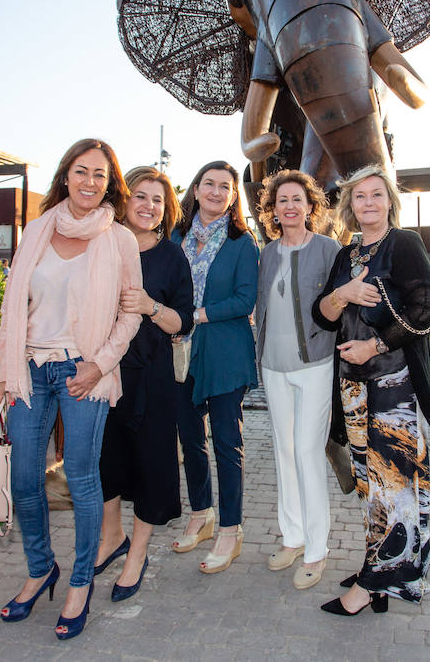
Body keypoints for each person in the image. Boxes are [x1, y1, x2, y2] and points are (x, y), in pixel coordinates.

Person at [0, 138, 142, 640]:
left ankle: (80, 582)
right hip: (28, 369)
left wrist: (99, 365)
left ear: (109, 184)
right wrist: (2, 369)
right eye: (82, 171)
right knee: (25, 480)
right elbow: (13, 305)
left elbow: (130, 312)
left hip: (83, 372)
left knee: (80, 478)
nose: (90, 182)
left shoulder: (118, 239)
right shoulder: (36, 229)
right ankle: (40, 570)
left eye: (100, 175)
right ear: (66, 175)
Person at [312, 164, 430, 616]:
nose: (368, 203)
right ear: (350, 205)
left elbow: (428, 309)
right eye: (359, 197)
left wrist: (374, 344)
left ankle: (374, 585)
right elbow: (322, 315)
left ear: (390, 200)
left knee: (395, 483)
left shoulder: (403, 244)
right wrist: (344, 293)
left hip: (393, 383)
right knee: (371, 482)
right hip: (352, 388)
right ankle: (379, 566)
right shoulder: (346, 254)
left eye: (376, 195)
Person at [96, 166, 194, 600]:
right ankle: (109, 537)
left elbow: (182, 322)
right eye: (140, 196)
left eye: (158, 199)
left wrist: (151, 306)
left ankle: (136, 554)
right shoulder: (102, 245)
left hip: (152, 378)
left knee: (152, 467)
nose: (149, 205)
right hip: (103, 373)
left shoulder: (172, 257)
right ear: (124, 198)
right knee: (104, 462)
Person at [171, 161, 259, 573]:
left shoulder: (243, 242)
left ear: (232, 196)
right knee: (191, 441)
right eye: (209, 183)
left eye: (225, 186)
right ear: (195, 189)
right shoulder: (176, 236)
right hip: (180, 351)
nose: (216, 191)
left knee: (227, 444)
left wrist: (198, 315)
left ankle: (230, 529)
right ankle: (201, 513)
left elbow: (245, 301)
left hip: (224, 352)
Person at [255, 170, 339, 590]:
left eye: (297, 200)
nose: (289, 206)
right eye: (282, 200)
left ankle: (317, 548)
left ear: (310, 207)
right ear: (273, 210)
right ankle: (291, 537)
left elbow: (340, 306)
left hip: (316, 364)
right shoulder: (267, 253)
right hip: (273, 366)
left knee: (308, 450)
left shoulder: (328, 249)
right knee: (284, 450)